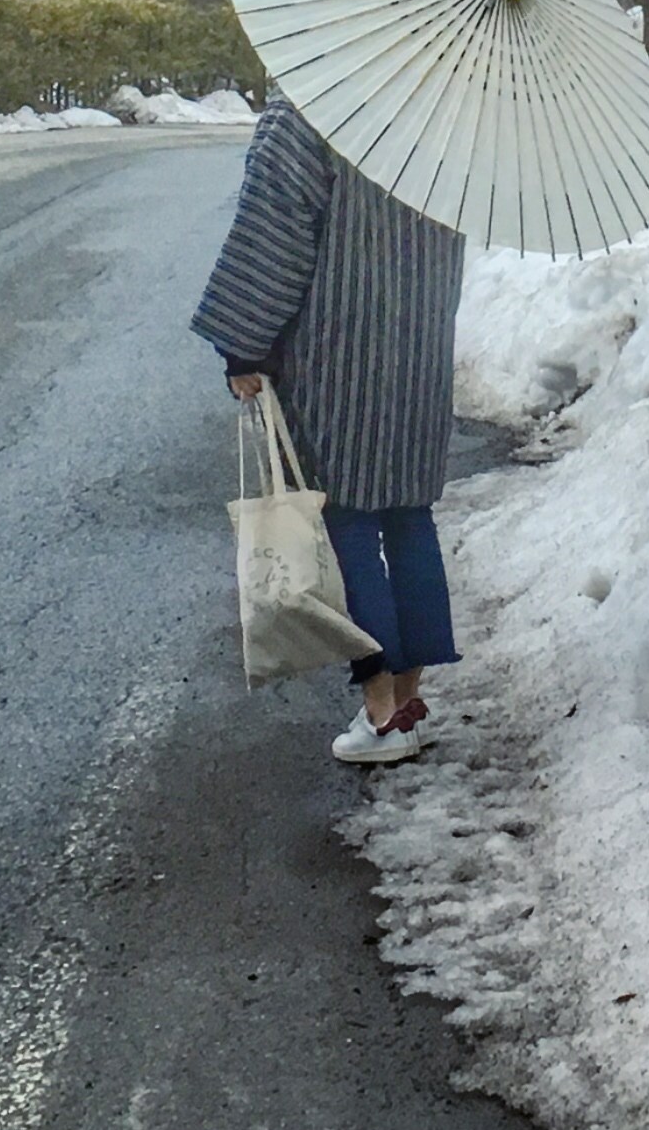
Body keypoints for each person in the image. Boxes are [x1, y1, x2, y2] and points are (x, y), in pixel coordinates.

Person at [189, 93, 467, 764]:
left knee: (342, 513)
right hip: (421, 344)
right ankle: (406, 698)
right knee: (407, 514)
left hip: (337, 347)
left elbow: (273, 236)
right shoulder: (451, 115)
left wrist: (246, 347)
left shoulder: (316, 110)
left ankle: (381, 711)